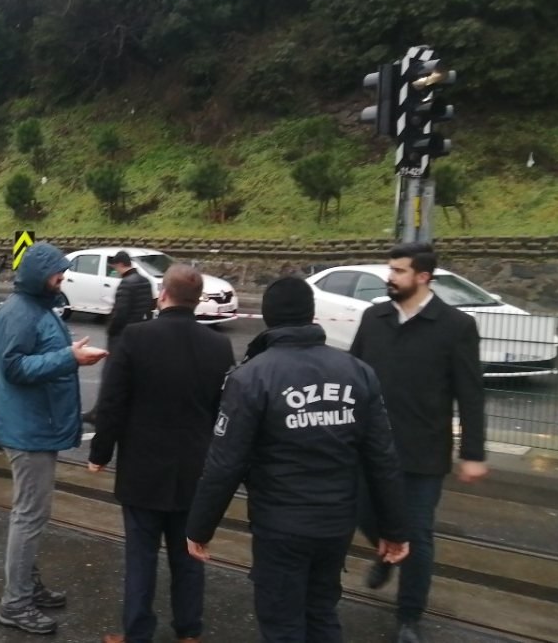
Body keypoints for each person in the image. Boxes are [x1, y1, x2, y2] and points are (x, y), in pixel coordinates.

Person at [186, 277, 409, 643]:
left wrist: (199, 528)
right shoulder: (357, 372)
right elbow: (381, 457)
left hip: (280, 525)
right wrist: (395, 528)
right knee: (321, 612)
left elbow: (226, 463)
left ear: (267, 318)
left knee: (282, 622)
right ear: (311, 314)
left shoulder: (251, 377)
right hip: (336, 522)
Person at [88, 264, 234, 643]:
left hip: (142, 468)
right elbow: (225, 410)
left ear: (162, 295)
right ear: (197, 299)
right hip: (194, 469)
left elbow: (113, 403)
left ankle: (138, 633)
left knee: (141, 556)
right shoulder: (219, 346)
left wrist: (100, 453)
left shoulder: (136, 337)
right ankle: (189, 632)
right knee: (189, 554)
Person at [349, 242, 487, 643]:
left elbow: (471, 394)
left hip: (423, 452)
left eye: (398, 271)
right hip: (370, 447)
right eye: (390, 269)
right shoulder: (373, 317)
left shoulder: (456, 326)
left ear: (423, 276)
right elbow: (354, 377)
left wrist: (473, 453)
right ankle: (387, 550)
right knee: (364, 514)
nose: (389, 277)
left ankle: (409, 616)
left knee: (418, 534)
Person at [0, 241, 108, 635]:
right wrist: (69, 358)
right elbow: (14, 367)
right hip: (29, 431)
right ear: (40, 275)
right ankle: (15, 604)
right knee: (29, 518)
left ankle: (26, 585)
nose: (63, 279)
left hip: (36, 425)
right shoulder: (19, 312)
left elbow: (36, 355)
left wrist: (69, 352)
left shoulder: (37, 306)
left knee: (29, 515)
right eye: (58, 273)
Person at [105, 251, 156, 353]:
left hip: (125, 333)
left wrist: (111, 330)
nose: (116, 271)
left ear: (120, 264)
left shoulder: (126, 283)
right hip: (141, 331)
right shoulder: (146, 281)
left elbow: (120, 312)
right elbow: (150, 305)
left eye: (115, 268)